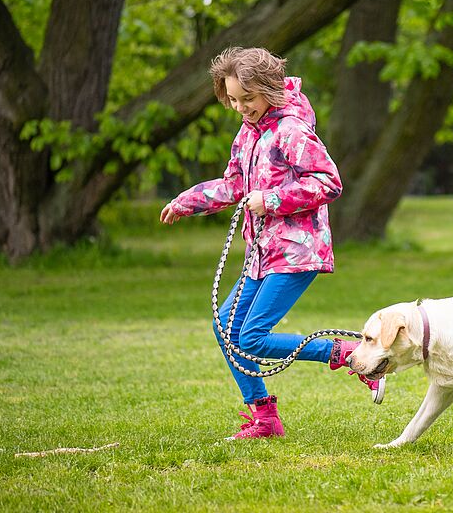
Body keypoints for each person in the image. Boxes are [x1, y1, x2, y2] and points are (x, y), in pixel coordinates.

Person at [160, 47, 383, 440]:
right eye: (232, 99)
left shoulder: (292, 130)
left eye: (248, 98)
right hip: (261, 253)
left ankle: (347, 355)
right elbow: (234, 185)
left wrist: (273, 199)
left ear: (271, 89)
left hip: (298, 251)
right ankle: (264, 418)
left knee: (250, 338)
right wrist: (187, 200)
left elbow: (329, 182)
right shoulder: (249, 132)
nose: (241, 107)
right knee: (224, 327)